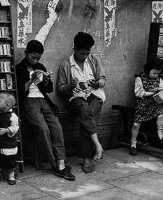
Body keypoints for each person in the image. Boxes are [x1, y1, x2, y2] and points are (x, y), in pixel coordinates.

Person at [16, 40, 75, 181]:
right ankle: (54, 163)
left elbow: (48, 89)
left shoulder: (40, 66)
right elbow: (18, 92)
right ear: (26, 53)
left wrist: (46, 79)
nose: (35, 60)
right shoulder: (19, 68)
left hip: (43, 100)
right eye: (33, 57)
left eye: (38, 58)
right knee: (43, 129)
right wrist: (32, 80)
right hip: (29, 101)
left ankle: (61, 161)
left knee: (57, 127)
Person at [57, 32, 105, 173]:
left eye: (87, 53)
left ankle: (88, 157)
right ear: (75, 49)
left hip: (94, 94)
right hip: (76, 99)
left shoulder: (93, 60)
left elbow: (103, 79)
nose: (85, 56)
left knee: (87, 113)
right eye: (82, 53)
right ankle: (96, 146)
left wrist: (98, 82)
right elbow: (60, 89)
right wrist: (70, 86)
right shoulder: (66, 64)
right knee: (85, 109)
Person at [130, 58, 163, 156]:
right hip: (142, 105)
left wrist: (161, 91)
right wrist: (151, 92)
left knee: (161, 114)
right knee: (136, 124)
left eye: (158, 73)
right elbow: (139, 93)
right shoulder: (140, 78)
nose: (156, 75)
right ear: (148, 70)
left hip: (155, 104)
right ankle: (133, 144)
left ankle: (160, 135)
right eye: (154, 73)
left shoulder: (159, 80)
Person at [0, 93, 19, 186]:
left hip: (8, 144)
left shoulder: (12, 116)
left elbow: (15, 127)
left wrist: (7, 130)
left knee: (9, 160)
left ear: (7, 105)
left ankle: (11, 175)